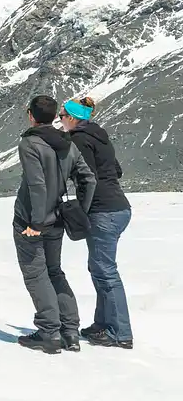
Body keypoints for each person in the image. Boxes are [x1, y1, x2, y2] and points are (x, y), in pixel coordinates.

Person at [13, 94, 96, 354]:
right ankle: (70, 331)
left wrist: (35, 222)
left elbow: (37, 184)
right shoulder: (67, 144)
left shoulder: (30, 143)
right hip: (58, 218)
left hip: (31, 221)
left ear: (31, 115)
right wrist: (79, 211)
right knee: (54, 271)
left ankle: (49, 333)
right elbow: (88, 180)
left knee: (36, 274)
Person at [59, 96, 134, 349]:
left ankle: (120, 332)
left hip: (103, 212)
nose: (60, 122)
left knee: (106, 272)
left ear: (72, 118)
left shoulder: (79, 138)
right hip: (119, 208)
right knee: (100, 269)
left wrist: (82, 209)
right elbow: (117, 171)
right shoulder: (99, 135)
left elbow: (87, 178)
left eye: (61, 117)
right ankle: (102, 324)